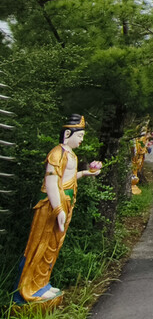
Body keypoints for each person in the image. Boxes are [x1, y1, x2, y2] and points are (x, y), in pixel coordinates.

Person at [14, 115, 102, 305]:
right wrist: (58, 209)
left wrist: (85, 173)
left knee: (53, 246)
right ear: (68, 133)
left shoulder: (71, 154)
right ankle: (30, 288)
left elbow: (67, 179)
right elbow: (52, 182)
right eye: (79, 136)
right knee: (41, 245)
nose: (82, 140)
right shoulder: (57, 153)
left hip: (65, 202)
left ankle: (43, 282)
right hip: (51, 205)